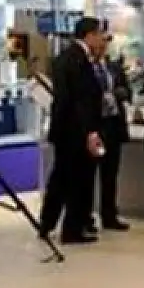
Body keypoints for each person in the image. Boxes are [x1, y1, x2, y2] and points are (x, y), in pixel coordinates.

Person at [39, 17, 108, 245]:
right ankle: (72, 229)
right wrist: (90, 132)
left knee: (60, 177)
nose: (102, 39)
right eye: (99, 34)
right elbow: (80, 100)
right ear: (89, 35)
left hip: (65, 130)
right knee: (78, 179)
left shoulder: (65, 58)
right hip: (76, 131)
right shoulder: (78, 61)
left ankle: (47, 222)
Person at [93, 48, 132, 232]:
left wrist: (121, 92)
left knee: (110, 174)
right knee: (88, 175)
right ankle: (85, 216)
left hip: (113, 125)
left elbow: (127, 92)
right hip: (95, 125)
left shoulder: (114, 68)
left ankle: (109, 215)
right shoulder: (86, 68)